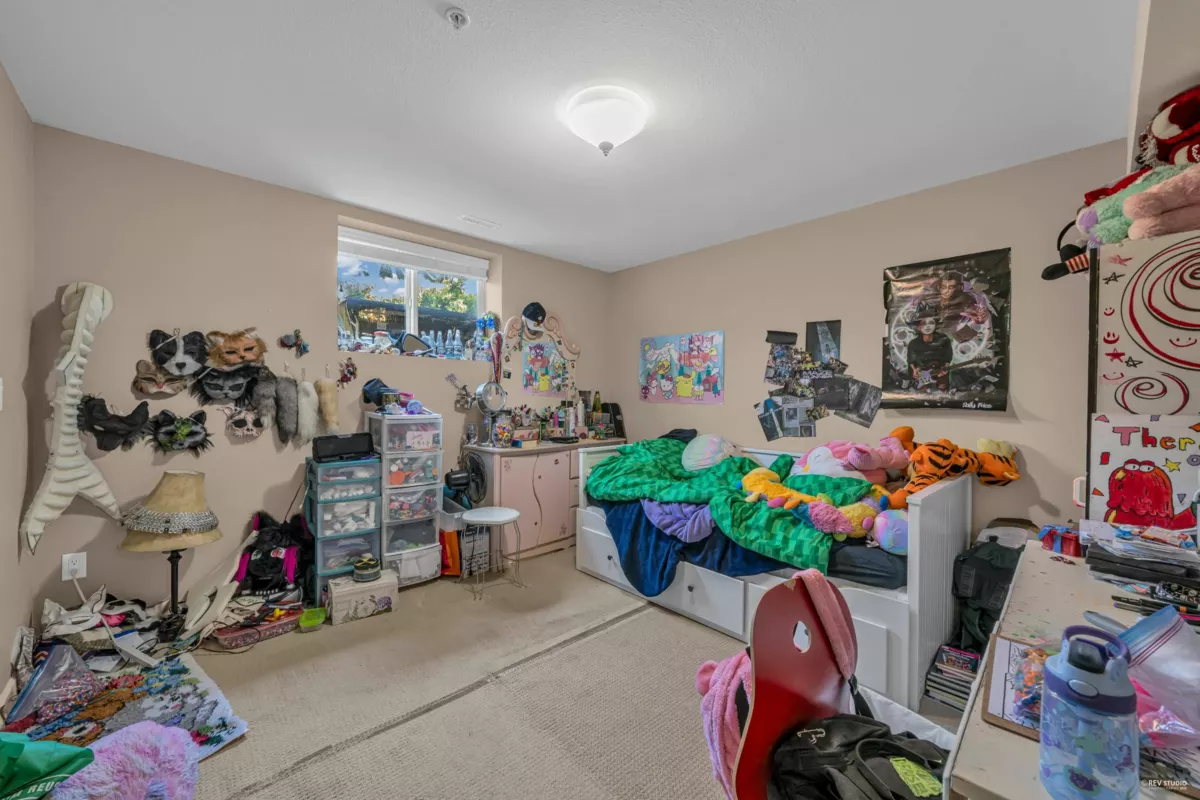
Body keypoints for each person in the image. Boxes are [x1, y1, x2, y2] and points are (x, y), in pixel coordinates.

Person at [906, 303, 953, 392]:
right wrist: (914, 371)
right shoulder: (913, 343)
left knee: (942, 392)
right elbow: (911, 361)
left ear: (936, 325)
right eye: (924, 323)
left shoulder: (944, 339)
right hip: (922, 376)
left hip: (940, 374)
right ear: (918, 326)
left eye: (931, 323)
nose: (927, 326)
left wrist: (945, 368)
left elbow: (948, 357)